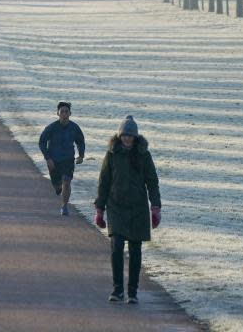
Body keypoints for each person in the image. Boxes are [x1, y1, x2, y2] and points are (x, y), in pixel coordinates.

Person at [94, 115, 161, 304]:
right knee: (116, 248)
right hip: (116, 206)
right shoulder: (112, 154)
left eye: (130, 136)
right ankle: (117, 290)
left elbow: (152, 182)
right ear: (119, 135)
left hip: (138, 208)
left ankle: (132, 292)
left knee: (135, 250)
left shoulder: (143, 155)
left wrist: (155, 207)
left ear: (135, 136)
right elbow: (103, 182)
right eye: (124, 135)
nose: (127, 139)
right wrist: (99, 209)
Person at [38, 101, 85, 216]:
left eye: (66, 112)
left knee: (67, 181)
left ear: (70, 113)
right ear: (58, 113)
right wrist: (48, 158)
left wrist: (81, 155)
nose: (64, 114)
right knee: (57, 185)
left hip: (68, 159)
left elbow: (80, 141)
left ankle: (64, 206)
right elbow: (42, 142)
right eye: (62, 112)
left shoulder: (74, 128)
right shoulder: (51, 128)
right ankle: (58, 187)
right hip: (53, 161)